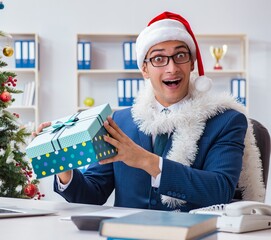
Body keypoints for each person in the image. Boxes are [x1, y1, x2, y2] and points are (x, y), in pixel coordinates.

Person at [35, 11, 265, 211]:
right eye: (158, 59)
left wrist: (146, 161)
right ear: (144, 69)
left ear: (192, 63)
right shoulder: (120, 121)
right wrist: (64, 166)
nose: (172, 68)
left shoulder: (226, 120)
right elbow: (91, 195)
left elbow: (220, 191)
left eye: (180, 56)